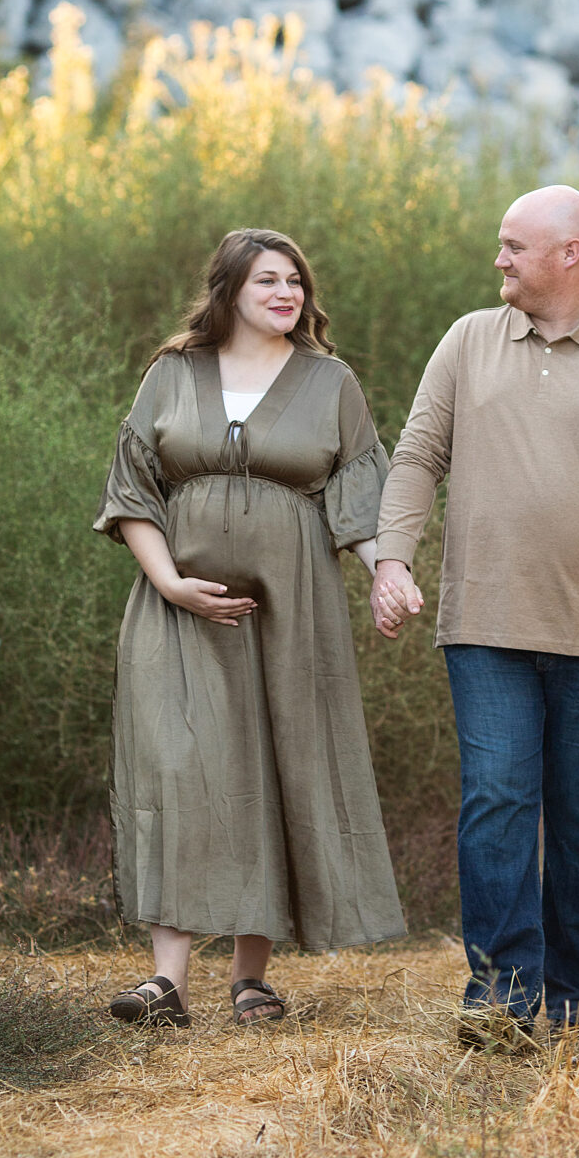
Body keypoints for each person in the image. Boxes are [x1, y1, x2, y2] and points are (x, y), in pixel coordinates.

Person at [370, 186, 579, 1046]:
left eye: (514, 246)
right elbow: (417, 456)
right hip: (483, 625)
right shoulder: (467, 341)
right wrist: (391, 558)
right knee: (497, 802)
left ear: (571, 254)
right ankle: (501, 998)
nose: (499, 260)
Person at [94, 227, 405, 1029]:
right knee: (177, 768)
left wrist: (388, 574)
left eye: (296, 280)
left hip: (290, 612)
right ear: (229, 289)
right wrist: (171, 584)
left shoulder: (330, 382)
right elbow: (133, 490)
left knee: (276, 768)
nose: (287, 292)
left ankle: (251, 978)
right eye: (268, 279)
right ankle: (167, 981)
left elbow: (359, 494)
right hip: (177, 610)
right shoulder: (172, 374)